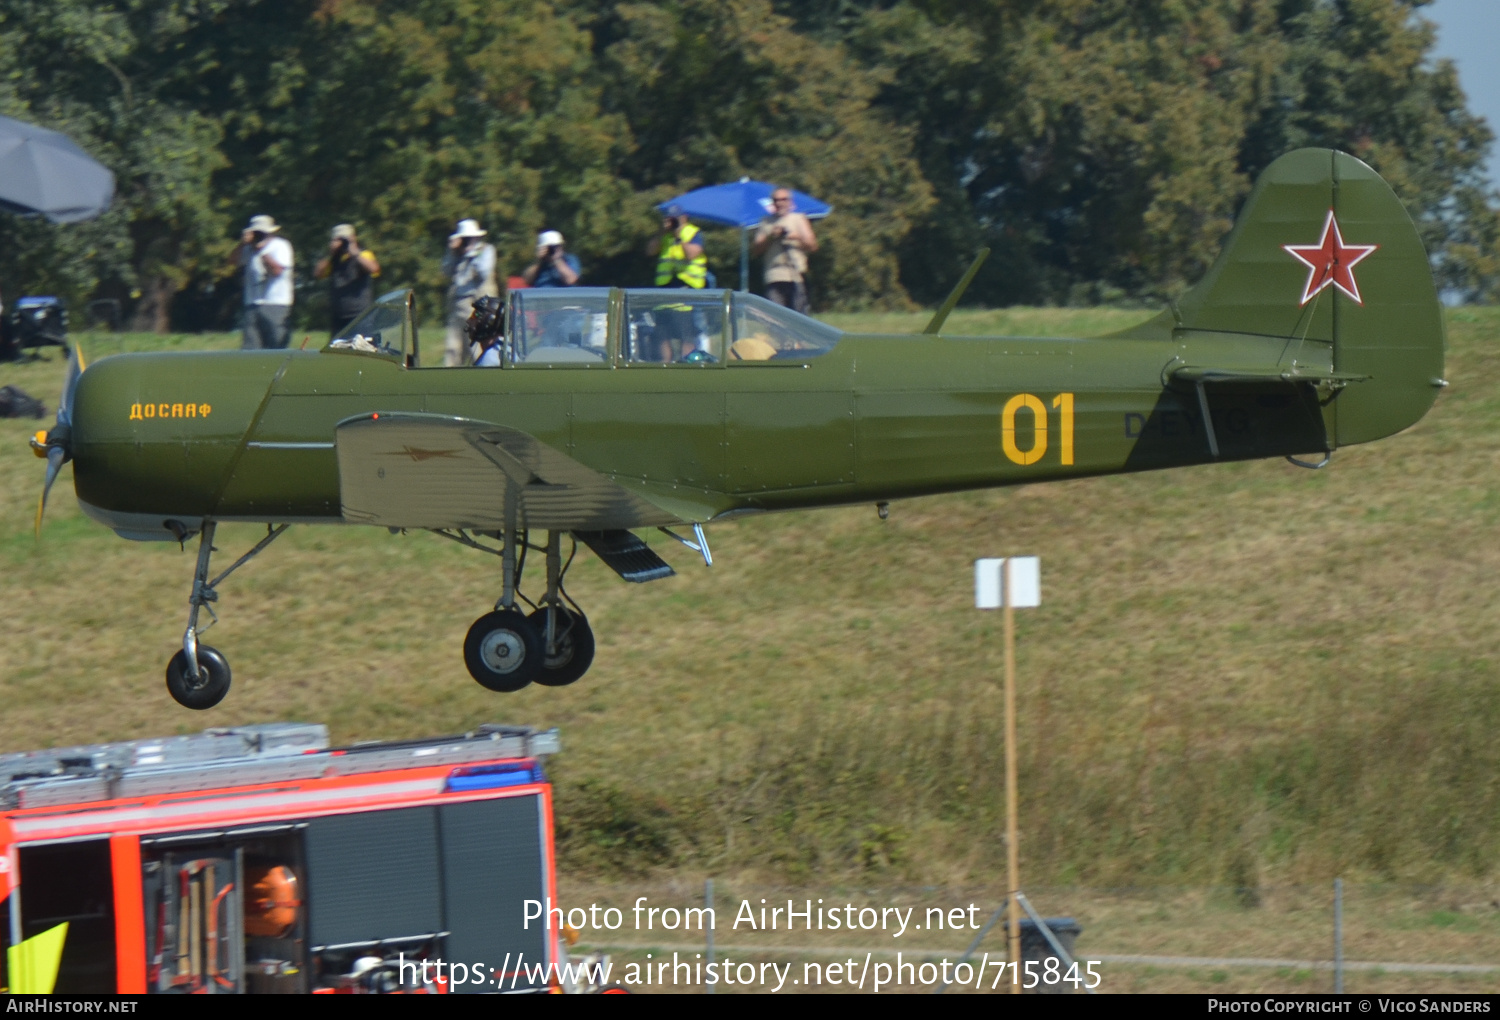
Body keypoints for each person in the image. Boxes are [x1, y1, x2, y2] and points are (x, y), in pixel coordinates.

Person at [646, 204, 708, 360]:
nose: (672, 221)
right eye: (669, 218)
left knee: (686, 334)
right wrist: (662, 231)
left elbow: (692, 254)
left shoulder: (693, 232)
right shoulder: (665, 236)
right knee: (662, 334)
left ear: (684, 218)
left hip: (686, 290)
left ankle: (687, 363)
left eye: (675, 218)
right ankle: (665, 365)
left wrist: (679, 236)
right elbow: (650, 251)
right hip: (664, 291)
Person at [231, 214, 294, 350]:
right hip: (252, 303)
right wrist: (242, 244)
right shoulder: (248, 249)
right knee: (250, 349)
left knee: (276, 346)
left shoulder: (281, 246)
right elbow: (232, 261)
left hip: (276, 304)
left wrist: (262, 251)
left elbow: (277, 271)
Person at [441, 218, 498, 366]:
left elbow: (483, 272)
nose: (466, 242)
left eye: (468, 238)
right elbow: (445, 271)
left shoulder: (486, 250)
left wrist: (471, 253)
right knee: (453, 350)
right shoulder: (456, 255)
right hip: (457, 305)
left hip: (478, 306)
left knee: (476, 349)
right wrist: (451, 251)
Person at [752, 187, 818, 314]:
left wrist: (796, 237)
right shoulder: (766, 222)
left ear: (789, 201)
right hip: (774, 275)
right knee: (776, 318)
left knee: (799, 317)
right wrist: (771, 236)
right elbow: (756, 251)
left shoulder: (798, 219)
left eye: (783, 199)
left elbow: (813, 246)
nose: (780, 203)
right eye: (776, 200)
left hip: (795, 274)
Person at [313, 224, 380, 336]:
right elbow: (317, 274)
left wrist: (355, 254)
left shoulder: (363, 254)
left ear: (353, 238)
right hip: (339, 316)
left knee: (360, 350)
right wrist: (331, 253)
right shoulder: (333, 260)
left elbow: (374, 269)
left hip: (360, 315)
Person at [465, 295, 506, 367]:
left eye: (475, 315)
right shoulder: (506, 352)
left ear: (489, 321)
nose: (468, 321)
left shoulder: (488, 361)